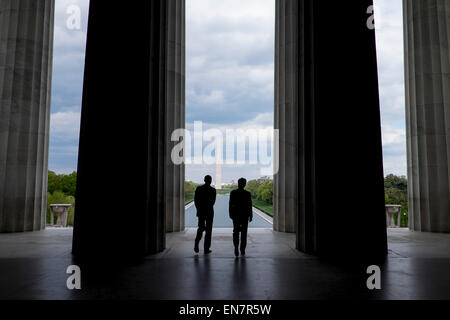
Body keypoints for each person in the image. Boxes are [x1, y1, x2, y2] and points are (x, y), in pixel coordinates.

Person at [229, 178, 253, 257]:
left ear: (238, 183)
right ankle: (242, 249)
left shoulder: (233, 192)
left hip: (236, 215)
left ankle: (236, 247)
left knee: (235, 232)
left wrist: (231, 214)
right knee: (244, 233)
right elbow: (249, 206)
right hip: (244, 215)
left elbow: (230, 205)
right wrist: (250, 215)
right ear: (244, 184)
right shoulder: (247, 193)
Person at [194, 175, 216, 254]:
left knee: (200, 228)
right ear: (210, 181)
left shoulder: (199, 189)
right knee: (208, 231)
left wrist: (199, 209)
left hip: (201, 211)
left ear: (204, 180)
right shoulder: (213, 190)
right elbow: (213, 202)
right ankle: (206, 248)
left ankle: (196, 242)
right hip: (209, 211)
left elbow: (196, 200)